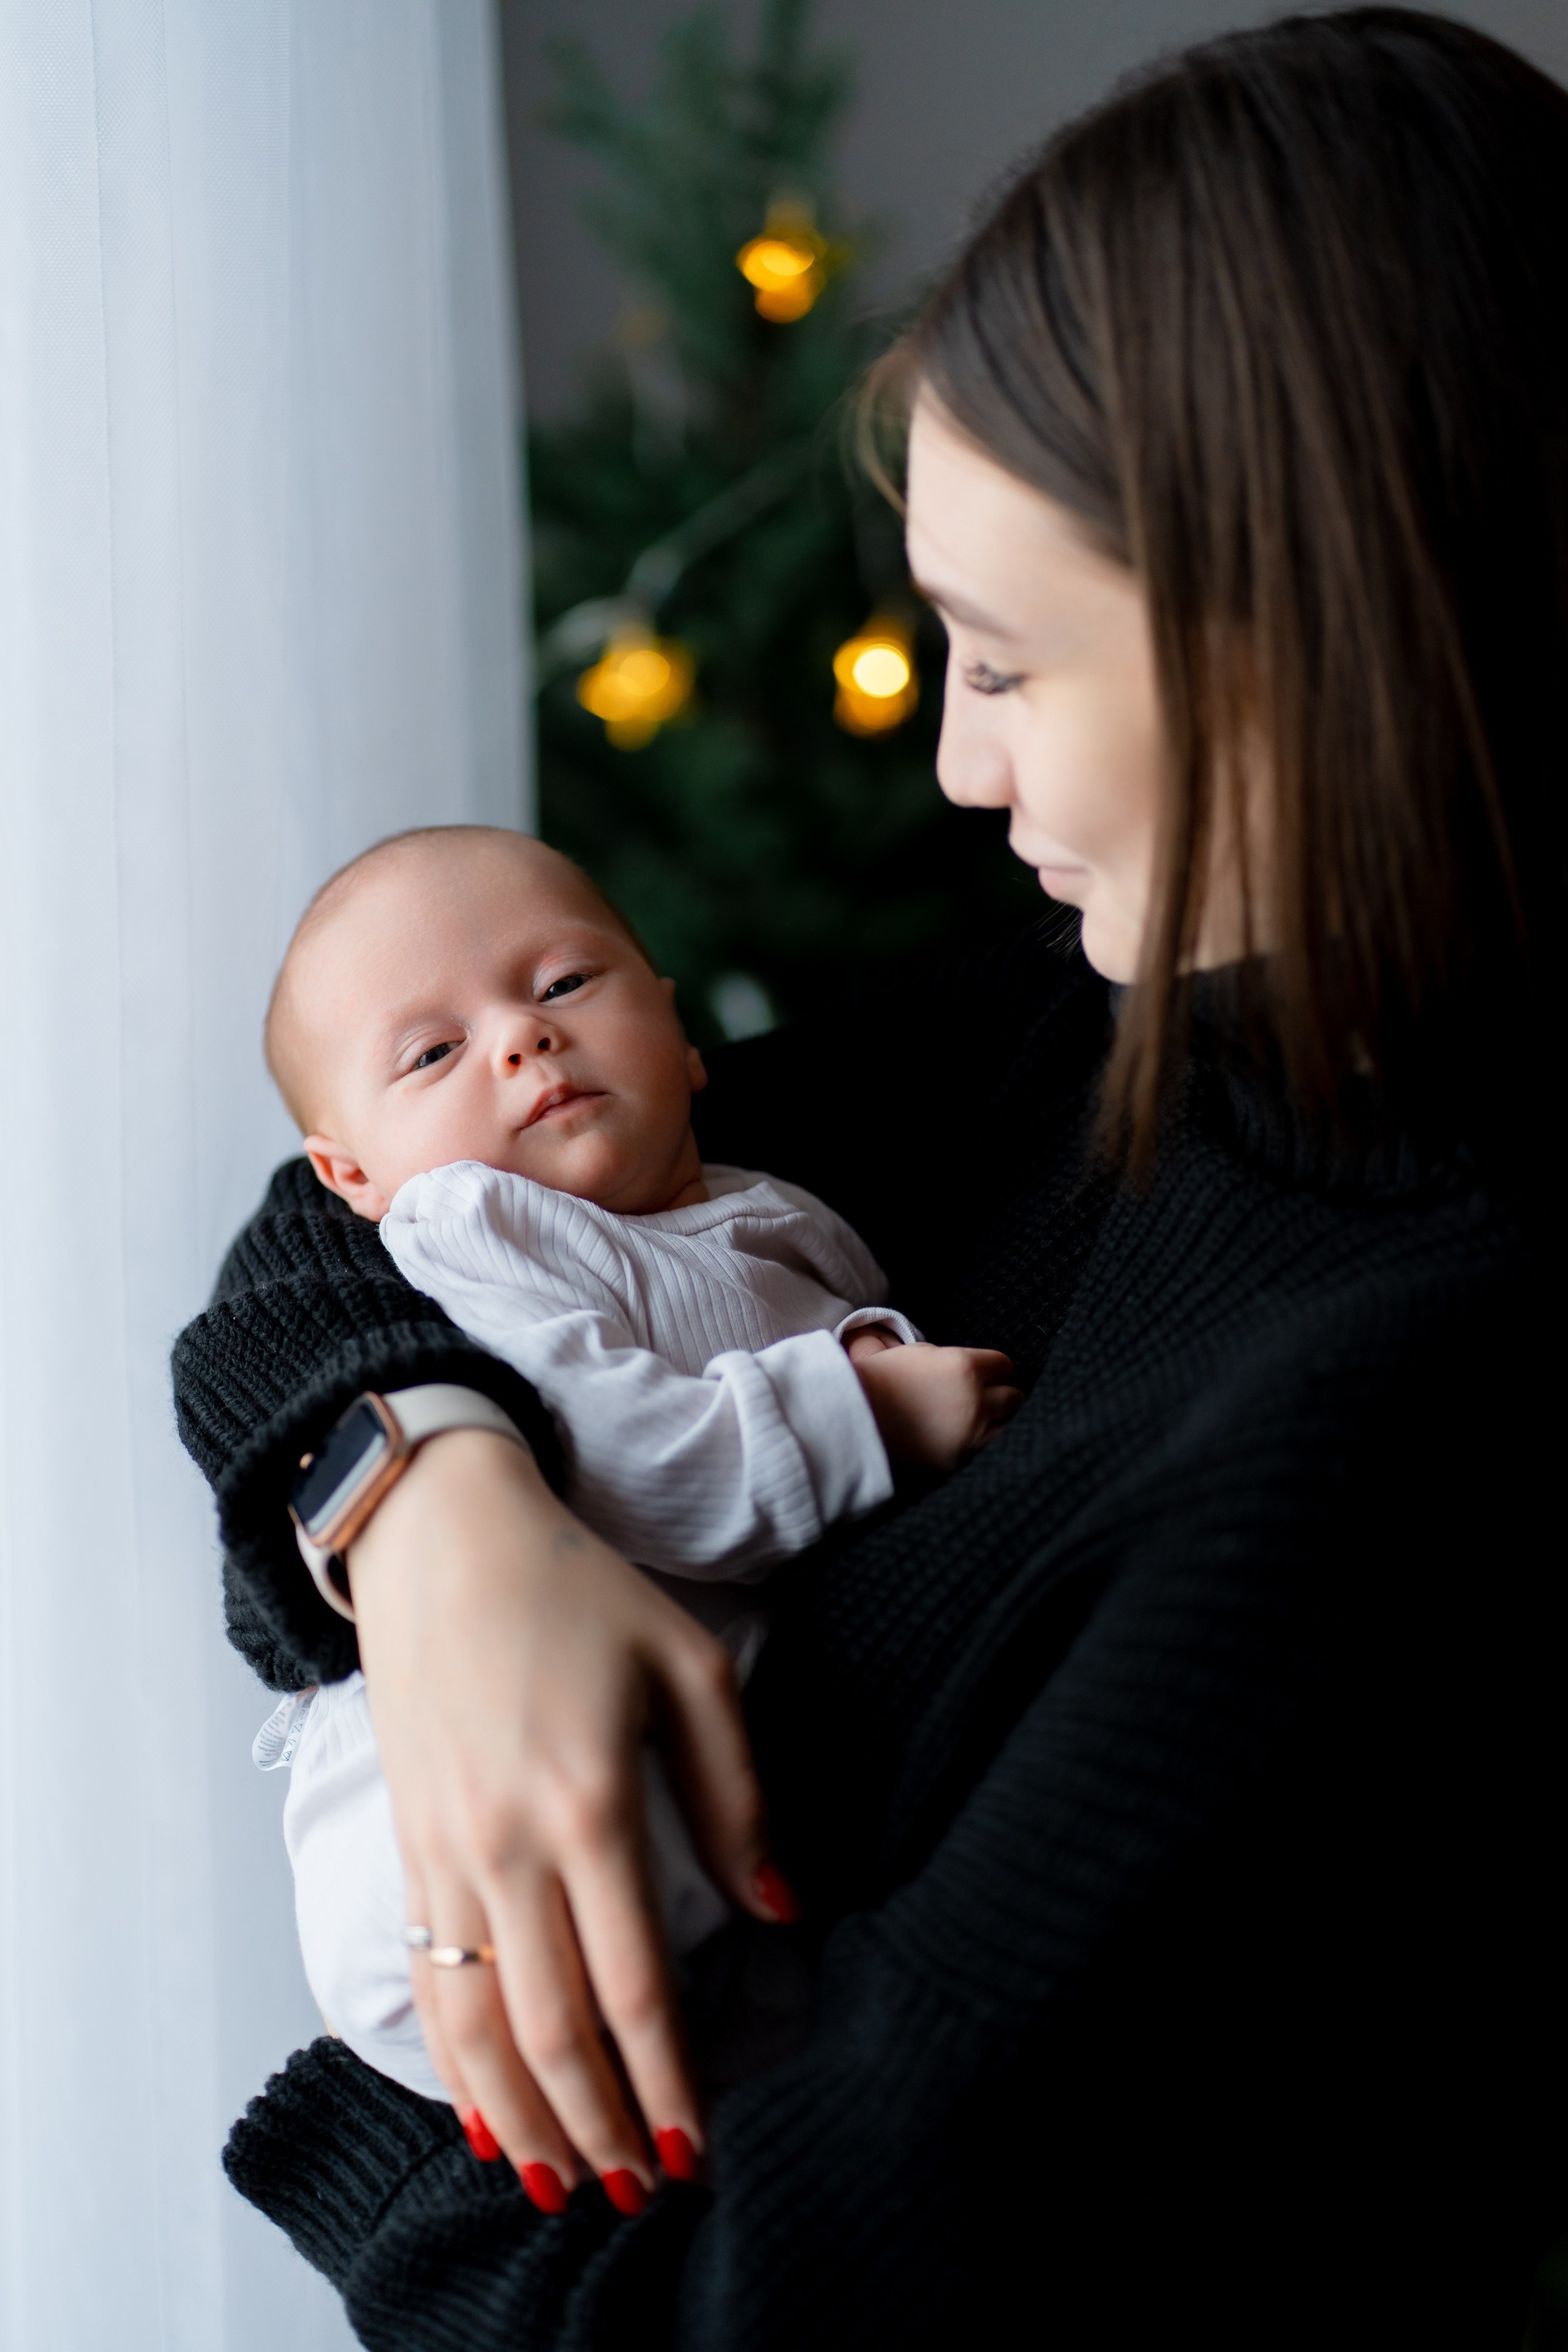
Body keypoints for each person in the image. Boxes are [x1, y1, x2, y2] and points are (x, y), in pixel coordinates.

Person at [173, 12, 1568, 2344]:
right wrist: (435, 1526)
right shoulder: (1099, 1025)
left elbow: (757, 2300)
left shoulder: (1394, 1436)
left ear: (1303, 647)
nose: (949, 762)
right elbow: (365, 1198)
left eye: (1006, 663)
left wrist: (409, 2141)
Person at [253, 823, 1014, 2138]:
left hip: (693, 1781)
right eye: (432, 1054)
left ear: (678, 1029)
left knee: (760, 2042)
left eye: (563, 986)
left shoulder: (767, 1207)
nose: (520, 1040)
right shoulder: (482, 1225)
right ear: (352, 1179)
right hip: (425, 1795)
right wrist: (865, 1409)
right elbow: (638, 1462)